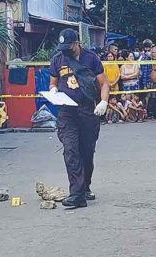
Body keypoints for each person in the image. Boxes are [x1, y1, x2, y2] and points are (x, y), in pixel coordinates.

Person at [49, 28, 110, 208]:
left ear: (77, 43)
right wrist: (53, 90)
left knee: (86, 151)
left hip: (87, 110)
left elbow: (104, 83)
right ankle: (77, 194)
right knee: (70, 150)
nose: (66, 50)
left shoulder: (91, 58)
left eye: (69, 46)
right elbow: (53, 82)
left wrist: (104, 102)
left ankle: (85, 187)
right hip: (67, 112)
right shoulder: (57, 59)